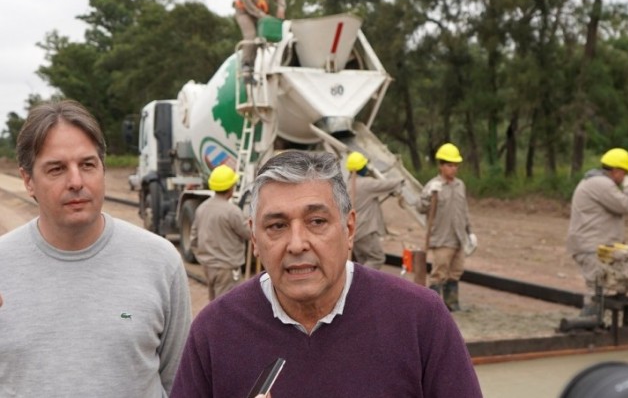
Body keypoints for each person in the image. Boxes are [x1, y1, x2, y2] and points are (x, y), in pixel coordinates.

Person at [170, 150, 482, 397]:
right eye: (276, 226)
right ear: (254, 239)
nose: (296, 244)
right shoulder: (215, 332)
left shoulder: (420, 319)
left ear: (349, 229)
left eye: (317, 222)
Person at [0, 100, 191, 395]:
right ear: (28, 181)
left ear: (102, 168)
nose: (76, 181)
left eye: (87, 165)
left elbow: (180, 383)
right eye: (56, 169)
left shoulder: (161, 262)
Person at [562, 148, 628, 324]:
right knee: (597, 289)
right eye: (624, 173)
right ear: (616, 170)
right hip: (591, 247)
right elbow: (625, 206)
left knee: (616, 283)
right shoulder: (601, 184)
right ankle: (586, 327)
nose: (624, 178)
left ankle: (616, 324)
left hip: (596, 245)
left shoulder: (595, 182)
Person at [419, 142, 476, 312]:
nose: (454, 169)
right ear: (441, 166)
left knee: (455, 272)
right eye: (450, 165)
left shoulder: (460, 185)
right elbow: (421, 207)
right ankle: (433, 308)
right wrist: (428, 196)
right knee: (438, 274)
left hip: (459, 238)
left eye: (456, 166)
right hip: (442, 239)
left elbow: (464, 211)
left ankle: (452, 304)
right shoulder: (433, 186)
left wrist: (470, 232)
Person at [191, 164, 251, 300]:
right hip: (226, 269)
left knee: (214, 305)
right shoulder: (232, 211)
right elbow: (248, 234)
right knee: (227, 308)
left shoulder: (202, 208)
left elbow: (193, 239)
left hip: (208, 266)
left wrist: (203, 258)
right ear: (231, 188)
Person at [345, 151, 402, 270]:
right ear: (361, 167)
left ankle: (359, 284)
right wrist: (401, 180)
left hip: (354, 231)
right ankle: (363, 282)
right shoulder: (366, 184)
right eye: (364, 165)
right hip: (365, 230)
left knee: (363, 260)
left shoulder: (348, 185)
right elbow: (386, 185)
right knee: (377, 258)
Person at [234, 0, 286, 75]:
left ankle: (258, 66)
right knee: (251, 35)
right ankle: (246, 64)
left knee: (262, 38)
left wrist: (281, 8)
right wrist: (264, 16)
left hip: (260, 13)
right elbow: (249, 6)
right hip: (244, 12)